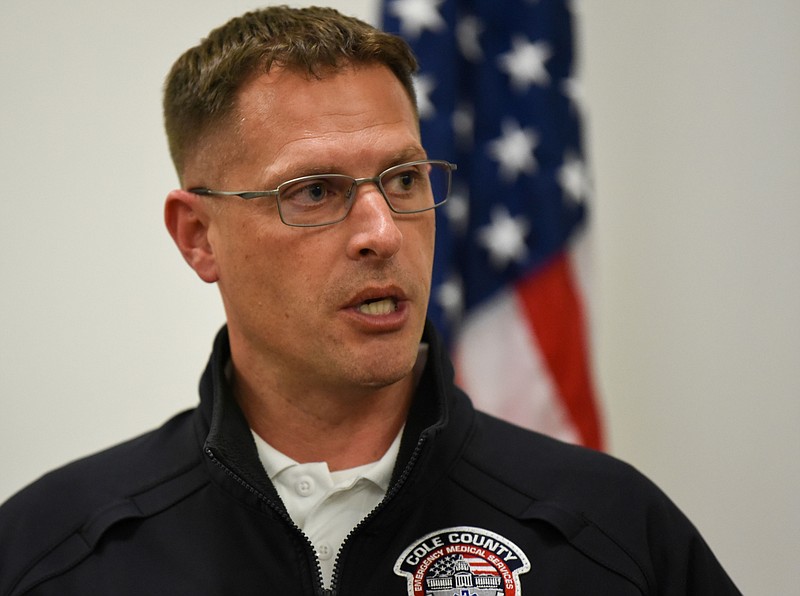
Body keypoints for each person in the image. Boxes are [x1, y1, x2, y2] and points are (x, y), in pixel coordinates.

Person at [0, 6, 740, 595]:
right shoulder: (53, 552)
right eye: (315, 191)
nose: (382, 233)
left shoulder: (609, 530)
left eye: (405, 180)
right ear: (199, 236)